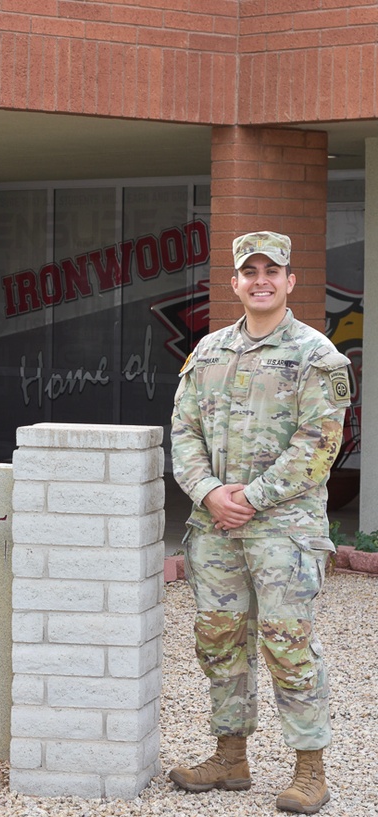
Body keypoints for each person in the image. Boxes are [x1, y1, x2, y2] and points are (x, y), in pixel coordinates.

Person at [169, 231, 351, 814]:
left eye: (272, 270)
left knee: (287, 644)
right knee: (218, 640)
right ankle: (229, 757)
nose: (261, 280)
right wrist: (208, 492)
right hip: (216, 526)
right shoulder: (208, 352)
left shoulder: (317, 356)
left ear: (291, 280)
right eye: (250, 271)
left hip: (283, 530)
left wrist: (250, 495)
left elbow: (320, 444)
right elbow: (184, 432)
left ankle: (310, 770)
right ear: (235, 283)